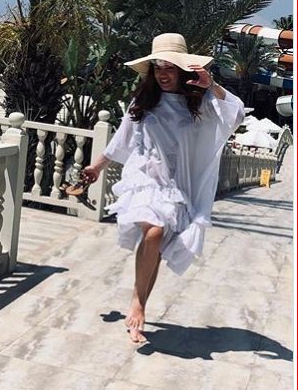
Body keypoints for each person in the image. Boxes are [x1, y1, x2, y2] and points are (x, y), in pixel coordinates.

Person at [81, 33, 245, 343]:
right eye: (158, 67)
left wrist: (211, 84)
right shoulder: (143, 102)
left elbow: (235, 114)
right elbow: (121, 141)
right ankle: (138, 303)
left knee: (154, 244)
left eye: (170, 67)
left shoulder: (200, 103)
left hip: (176, 187)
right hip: (144, 181)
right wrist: (96, 168)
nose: (163, 73)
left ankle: (138, 307)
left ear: (182, 70)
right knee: (154, 233)